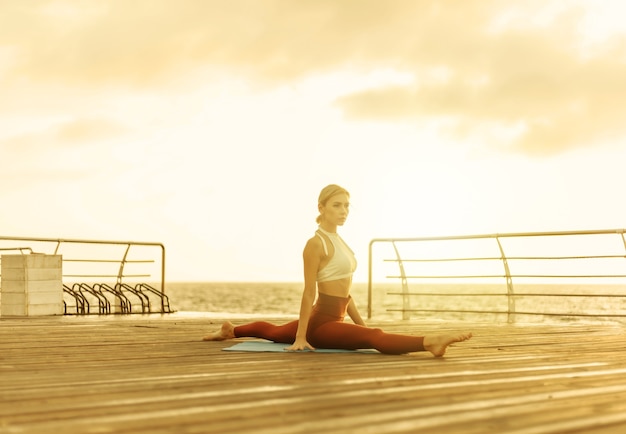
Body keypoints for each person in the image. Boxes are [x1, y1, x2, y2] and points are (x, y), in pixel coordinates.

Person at [203, 184, 472, 356]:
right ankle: (429, 342)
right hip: (320, 323)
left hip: (334, 318)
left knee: (273, 332)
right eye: (336, 205)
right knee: (374, 339)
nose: (344, 211)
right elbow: (309, 293)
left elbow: (346, 293)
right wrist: (300, 338)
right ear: (321, 208)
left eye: (346, 205)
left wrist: (362, 324)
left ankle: (231, 329)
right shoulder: (315, 244)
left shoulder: (340, 242)